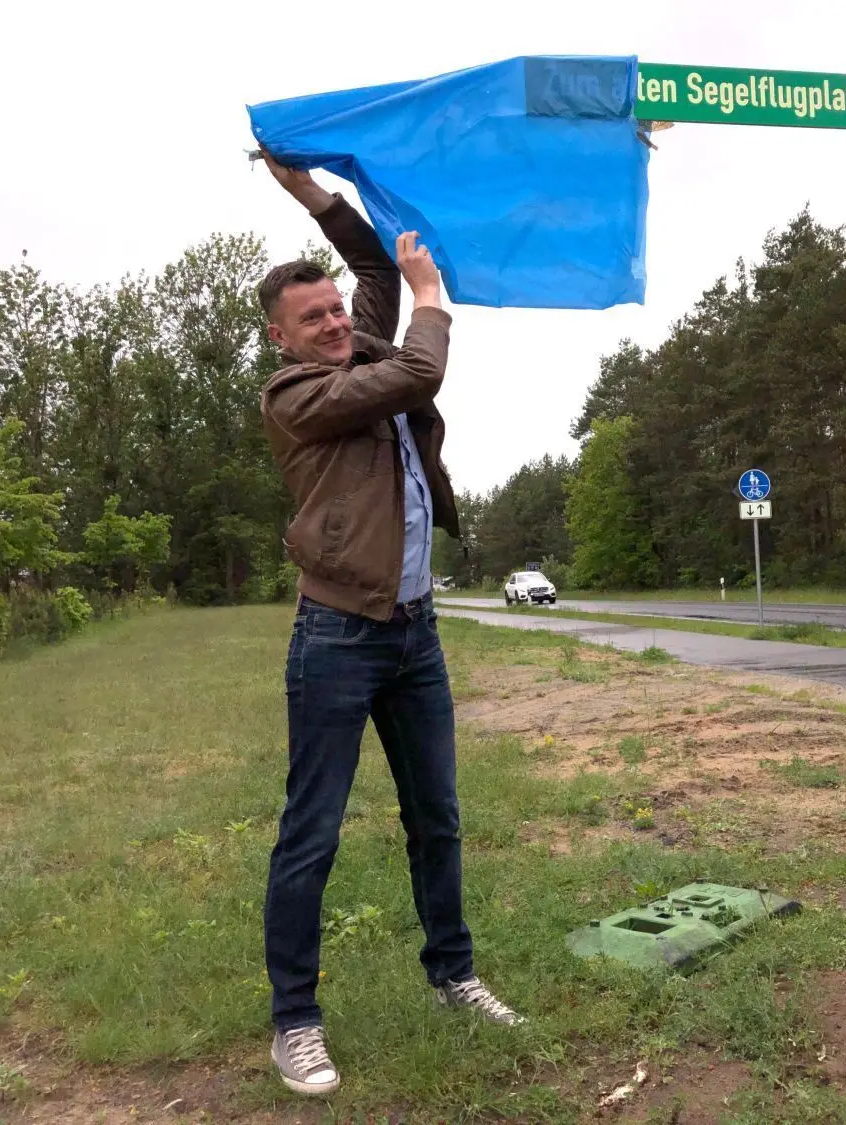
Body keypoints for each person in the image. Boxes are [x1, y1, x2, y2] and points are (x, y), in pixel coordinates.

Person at [255, 152, 523, 1098]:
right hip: (336, 638)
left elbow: (369, 268)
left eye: (335, 310)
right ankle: (296, 1022)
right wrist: (432, 296)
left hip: (416, 633)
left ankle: (454, 975)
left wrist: (306, 193)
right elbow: (417, 368)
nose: (333, 323)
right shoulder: (300, 396)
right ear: (282, 339)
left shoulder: (355, 339)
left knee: (437, 818)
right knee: (311, 833)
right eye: (311, 319)